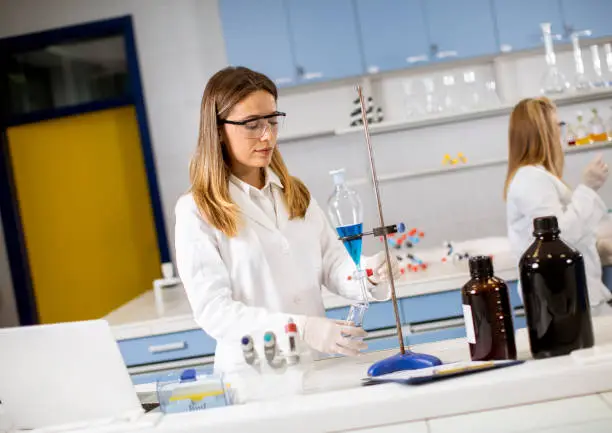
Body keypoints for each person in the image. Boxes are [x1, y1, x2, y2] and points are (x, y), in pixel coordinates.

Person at [174, 66, 399, 374]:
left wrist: (369, 273)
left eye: (272, 121)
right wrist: (303, 329)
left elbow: (334, 265)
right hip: (254, 376)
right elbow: (214, 311)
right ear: (218, 130)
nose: (267, 135)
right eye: (252, 124)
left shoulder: (295, 193)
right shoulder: (197, 211)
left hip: (317, 368)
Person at [504, 97, 612, 315]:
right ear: (541, 132)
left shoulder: (538, 176)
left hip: (571, 298)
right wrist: (588, 188)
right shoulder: (530, 179)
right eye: (558, 125)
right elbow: (558, 240)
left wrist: (599, 247)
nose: (562, 131)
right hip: (564, 300)